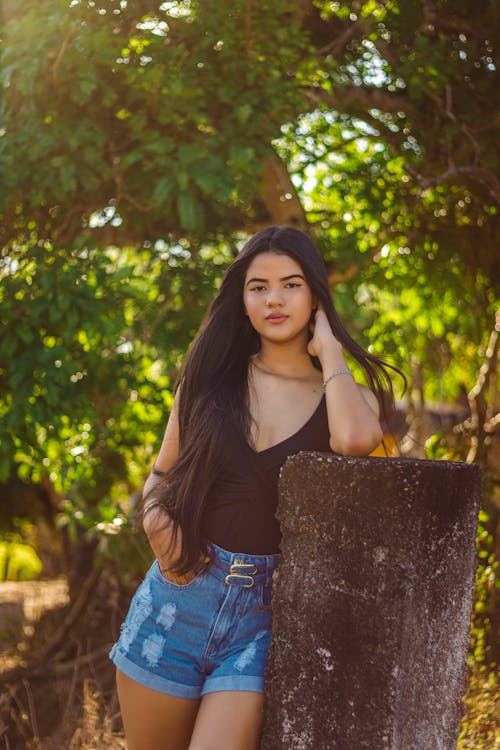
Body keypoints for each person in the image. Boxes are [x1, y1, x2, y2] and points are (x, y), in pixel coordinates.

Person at [109, 225, 402, 750]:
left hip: (263, 622)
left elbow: (356, 441)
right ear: (241, 299)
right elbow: (160, 476)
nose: (273, 299)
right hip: (178, 598)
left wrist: (331, 351)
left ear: (314, 294)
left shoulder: (348, 398)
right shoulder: (206, 382)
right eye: (258, 286)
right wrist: (156, 524)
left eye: (291, 284)